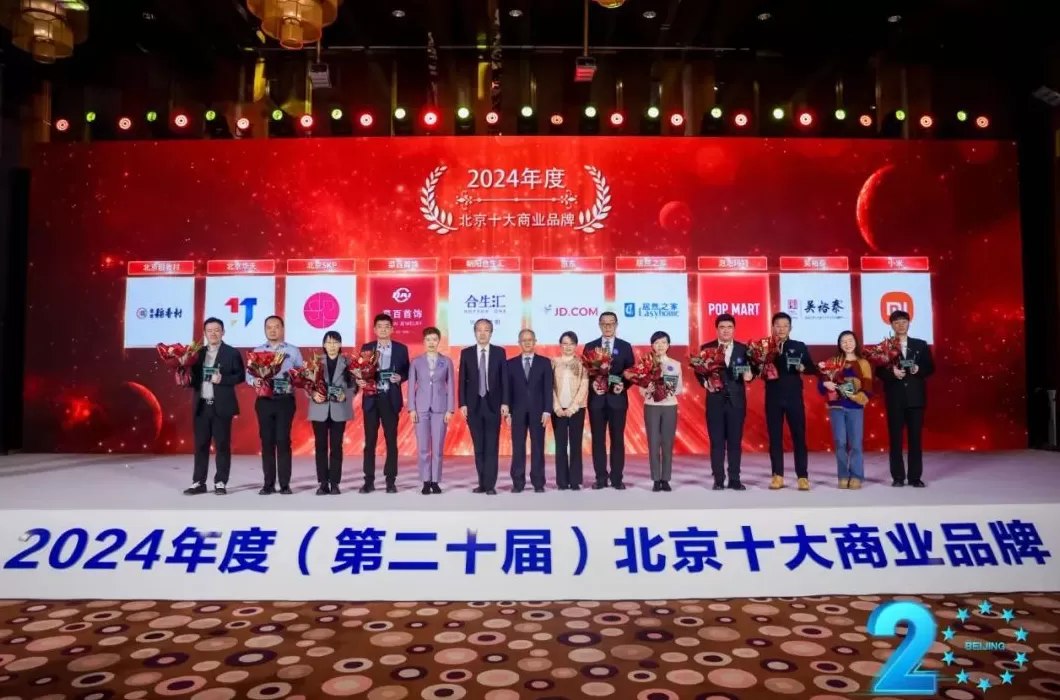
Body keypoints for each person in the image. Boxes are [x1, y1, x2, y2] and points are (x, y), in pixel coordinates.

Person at [184, 317, 245, 496]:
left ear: (223, 332)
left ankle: (220, 482)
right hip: (202, 406)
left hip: (222, 407)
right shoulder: (197, 354)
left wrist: (222, 379)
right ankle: (198, 482)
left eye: (217, 330)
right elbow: (193, 379)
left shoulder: (231, 353)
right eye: (209, 330)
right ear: (204, 333)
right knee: (200, 445)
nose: (213, 333)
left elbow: (240, 376)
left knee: (222, 445)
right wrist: (183, 376)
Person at [877, 309, 934, 487]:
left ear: (909, 323)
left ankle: (915, 477)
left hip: (915, 398)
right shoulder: (884, 347)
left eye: (904, 321)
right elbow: (879, 371)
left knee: (915, 439)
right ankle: (898, 477)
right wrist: (892, 373)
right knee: (895, 439)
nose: (901, 325)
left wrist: (918, 369)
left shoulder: (920, 345)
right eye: (897, 322)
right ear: (891, 325)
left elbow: (930, 367)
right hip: (895, 398)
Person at [247, 315, 303, 495]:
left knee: (283, 441)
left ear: (282, 329)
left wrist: (295, 380)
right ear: (265, 330)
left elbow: (301, 374)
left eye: (276, 327)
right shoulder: (257, 351)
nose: (272, 330)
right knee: (267, 442)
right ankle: (268, 484)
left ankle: (285, 484)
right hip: (264, 401)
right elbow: (249, 374)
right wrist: (254, 381)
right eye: (269, 327)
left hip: (285, 400)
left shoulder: (293, 351)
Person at [697, 314, 752, 491]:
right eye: (722, 327)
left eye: (729, 327)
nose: (726, 330)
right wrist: (706, 384)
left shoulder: (743, 349)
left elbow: (750, 372)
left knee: (735, 443)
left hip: (736, 402)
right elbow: (699, 372)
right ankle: (719, 479)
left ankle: (735, 478)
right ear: (717, 329)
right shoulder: (707, 348)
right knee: (717, 443)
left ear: (734, 329)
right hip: (715, 401)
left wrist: (750, 376)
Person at [358, 313, 410, 494]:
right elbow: (360, 370)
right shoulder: (367, 348)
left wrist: (400, 377)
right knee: (369, 442)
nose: (383, 329)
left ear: (392, 329)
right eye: (380, 326)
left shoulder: (401, 349)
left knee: (391, 441)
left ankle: (390, 480)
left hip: (390, 398)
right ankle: (368, 481)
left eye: (387, 326)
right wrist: (360, 380)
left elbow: (407, 370)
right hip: (371, 399)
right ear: (374, 329)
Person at [583, 312, 635, 490]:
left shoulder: (625, 346)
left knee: (617, 440)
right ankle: (600, 478)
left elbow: (631, 372)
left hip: (617, 399)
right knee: (598, 440)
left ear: (616, 325)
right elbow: (586, 372)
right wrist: (592, 384)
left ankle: (617, 478)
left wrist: (624, 385)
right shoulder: (590, 346)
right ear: (599, 325)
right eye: (604, 323)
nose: (607, 327)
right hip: (596, 400)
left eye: (611, 323)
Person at [764, 312, 815, 491]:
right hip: (773, 397)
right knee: (775, 438)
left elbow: (812, 367)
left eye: (785, 326)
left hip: (794, 397)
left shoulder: (799, 346)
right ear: (773, 327)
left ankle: (802, 476)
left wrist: (803, 367)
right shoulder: (765, 347)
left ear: (790, 328)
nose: (781, 329)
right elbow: (756, 368)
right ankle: (777, 475)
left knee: (799, 437)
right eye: (778, 325)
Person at [458, 318, 509, 495]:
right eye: (479, 330)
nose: (482, 333)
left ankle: (491, 485)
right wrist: (462, 403)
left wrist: (505, 402)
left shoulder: (499, 352)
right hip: (473, 405)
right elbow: (462, 380)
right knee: (478, 446)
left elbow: (504, 379)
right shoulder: (466, 353)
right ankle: (482, 483)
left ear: (491, 333)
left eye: (486, 330)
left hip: (493, 404)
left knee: (491, 447)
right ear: (474, 332)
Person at [818, 331, 873, 490]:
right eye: (843, 341)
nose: (847, 344)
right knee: (840, 442)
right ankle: (843, 475)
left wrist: (857, 396)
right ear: (839, 344)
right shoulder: (833, 362)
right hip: (837, 407)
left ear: (855, 342)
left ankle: (856, 476)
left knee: (855, 443)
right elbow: (822, 385)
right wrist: (825, 384)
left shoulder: (863, 363)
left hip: (855, 408)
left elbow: (868, 386)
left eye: (850, 340)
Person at [408, 326, 455, 494]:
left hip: (440, 409)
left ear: (439, 341)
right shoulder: (416, 362)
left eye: (434, 339)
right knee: (423, 448)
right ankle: (425, 481)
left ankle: (435, 481)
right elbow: (411, 386)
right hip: (420, 408)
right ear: (424, 341)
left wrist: (450, 410)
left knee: (438, 448)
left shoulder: (446, 361)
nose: (431, 343)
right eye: (428, 340)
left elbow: (451, 386)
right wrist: (411, 409)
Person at [506, 328, 553, 493]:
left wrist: (547, 410)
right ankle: (518, 483)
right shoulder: (510, 364)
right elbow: (507, 390)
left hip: (538, 411)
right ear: (519, 343)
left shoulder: (545, 362)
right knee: (518, 447)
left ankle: (538, 482)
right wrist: (508, 412)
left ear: (535, 342)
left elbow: (548, 388)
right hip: (517, 411)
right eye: (524, 340)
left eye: (530, 340)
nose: (527, 343)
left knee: (538, 447)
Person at [308, 331, 355, 495]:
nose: (332, 346)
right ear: (324, 345)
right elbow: (307, 384)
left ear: (340, 345)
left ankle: (335, 483)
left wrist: (345, 395)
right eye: (329, 342)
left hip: (338, 409)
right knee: (320, 447)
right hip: (319, 408)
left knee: (336, 447)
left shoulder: (348, 362)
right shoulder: (315, 361)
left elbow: (354, 386)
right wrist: (313, 394)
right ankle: (323, 483)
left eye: (335, 342)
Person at [643, 331, 683, 492]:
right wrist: (648, 389)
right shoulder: (646, 364)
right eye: (656, 342)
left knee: (667, 443)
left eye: (663, 342)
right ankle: (655, 479)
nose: (660, 346)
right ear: (652, 345)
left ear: (668, 345)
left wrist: (667, 389)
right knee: (653, 443)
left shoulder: (675, 364)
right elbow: (641, 388)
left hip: (669, 406)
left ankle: (665, 479)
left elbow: (679, 388)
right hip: (651, 405)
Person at [552, 331, 588, 490]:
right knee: (560, 445)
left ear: (576, 345)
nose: (568, 347)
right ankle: (561, 481)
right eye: (565, 343)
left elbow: (584, 386)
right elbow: (549, 386)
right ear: (560, 345)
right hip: (558, 410)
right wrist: (556, 407)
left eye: (571, 344)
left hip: (577, 409)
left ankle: (575, 480)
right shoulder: (553, 362)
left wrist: (573, 407)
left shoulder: (582, 363)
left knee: (575, 444)